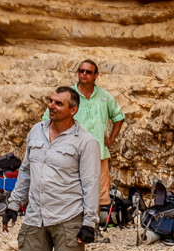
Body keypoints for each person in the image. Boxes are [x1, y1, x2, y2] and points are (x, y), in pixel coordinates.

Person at [0, 86, 100, 251]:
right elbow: (25, 171)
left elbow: (91, 184)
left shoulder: (85, 142)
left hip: (68, 219)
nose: (51, 106)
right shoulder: (36, 132)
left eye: (58, 103)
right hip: (34, 217)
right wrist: (12, 205)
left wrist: (89, 222)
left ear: (73, 109)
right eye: (51, 101)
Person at [43, 59, 125, 236]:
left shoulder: (105, 97)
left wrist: (111, 138)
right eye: (81, 71)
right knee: (68, 189)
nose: (84, 74)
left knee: (95, 192)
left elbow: (119, 117)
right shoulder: (67, 96)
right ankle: (67, 228)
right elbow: (47, 120)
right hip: (69, 153)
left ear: (96, 75)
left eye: (88, 72)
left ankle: (90, 229)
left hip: (98, 154)